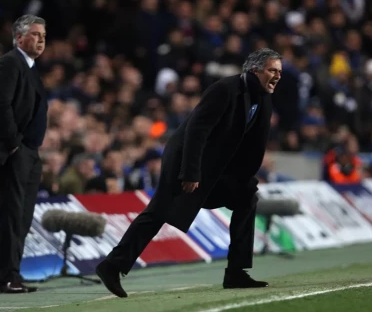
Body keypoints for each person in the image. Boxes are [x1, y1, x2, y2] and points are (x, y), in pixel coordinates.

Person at [96, 48, 283, 297]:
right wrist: (190, 172)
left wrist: (244, 176)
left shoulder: (263, 98)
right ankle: (111, 266)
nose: (277, 76)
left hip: (215, 169)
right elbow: (197, 131)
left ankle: (236, 272)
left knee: (247, 196)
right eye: (272, 70)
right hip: (185, 161)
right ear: (255, 70)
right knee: (158, 212)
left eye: (279, 71)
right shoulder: (225, 89)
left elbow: (248, 143)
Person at [0, 14, 47, 294]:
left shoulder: (28, 67)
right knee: (12, 214)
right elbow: (0, 106)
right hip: (14, 152)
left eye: (44, 35)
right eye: (35, 34)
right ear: (19, 37)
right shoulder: (10, 63)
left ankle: (12, 275)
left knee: (23, 217)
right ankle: (5, 278)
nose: (41, 40)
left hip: (29, 152)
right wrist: (15, 143)